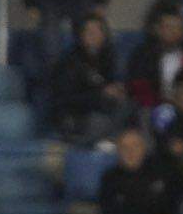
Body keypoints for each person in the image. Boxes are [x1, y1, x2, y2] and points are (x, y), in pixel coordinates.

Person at [47, 14, 129, 145]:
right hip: (75, 116)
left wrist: (117, 91)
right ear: (81, 35)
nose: (93, 35)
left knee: (128, 107)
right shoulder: (69, 62)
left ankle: (109, 142)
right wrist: (101, 93)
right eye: (89, 31)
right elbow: (65, 99)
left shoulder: (108, 58)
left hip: (102, 110)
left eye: (98, 30)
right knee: (99, 122)